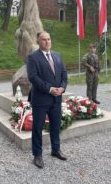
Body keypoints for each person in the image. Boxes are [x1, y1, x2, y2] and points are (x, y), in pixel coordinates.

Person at [27, 31, 68, 169]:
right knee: (38, 128)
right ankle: (37, 155)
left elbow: (64, 73)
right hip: (41, 99)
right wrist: (50, 89)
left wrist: (62, 88)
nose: (47, 41)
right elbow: (33, 78)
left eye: (49, 39)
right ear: (38, 42)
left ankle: (55, 150)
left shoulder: (57, 55)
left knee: (56, 126)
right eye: (44, 39)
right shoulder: (33, 58)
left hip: (56, 99)